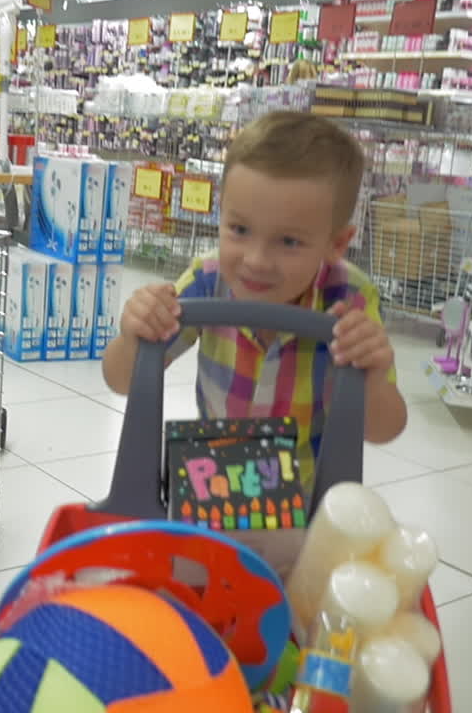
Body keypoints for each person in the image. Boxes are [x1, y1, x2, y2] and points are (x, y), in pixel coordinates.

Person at [101, 111, 407, 492]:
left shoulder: (351, 300)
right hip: (213, 487)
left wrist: (374, 376)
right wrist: (134, 337)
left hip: (305, 502)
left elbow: (384, 429)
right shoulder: (206, 279)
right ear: (220, 216)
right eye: (239, 229)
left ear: (336, 244)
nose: (256, 260)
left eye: (289, 241)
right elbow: (120, 381)